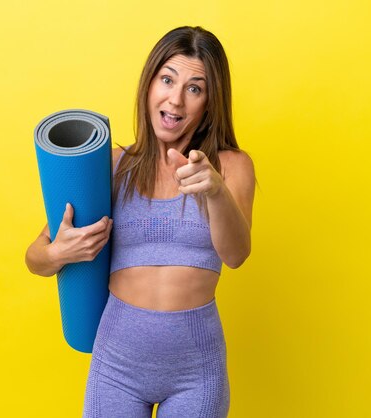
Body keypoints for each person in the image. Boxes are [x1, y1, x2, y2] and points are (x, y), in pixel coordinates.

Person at [25, 26, 255, 418]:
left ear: (210, 102)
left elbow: (235, 255)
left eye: (195, 88)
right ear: (149, 85)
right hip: (116, 367)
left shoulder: (231, 167)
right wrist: (59, 252)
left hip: (195, 371)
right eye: (167, 79)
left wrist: (214, 192)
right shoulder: (112, 165)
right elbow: (34, 258)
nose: (176, 99)